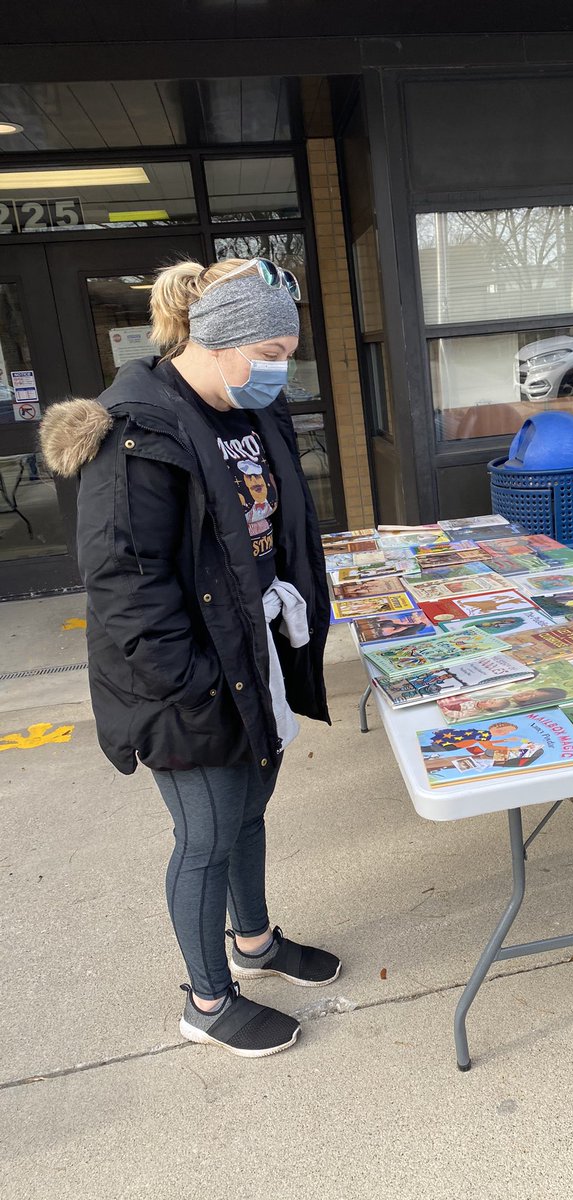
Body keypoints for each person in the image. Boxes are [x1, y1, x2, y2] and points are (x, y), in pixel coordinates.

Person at [40, 257, 340, 1059]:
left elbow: (278, 528)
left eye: (288, 353)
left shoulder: (251, 413)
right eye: (271, 352)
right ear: (218, 340)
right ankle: (207, 1000)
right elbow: (126, 594)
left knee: (248, 813)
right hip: (186, 686)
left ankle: (256, 942)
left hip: (256, 659)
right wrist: (202, 690)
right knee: (205, 835)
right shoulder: (136, 433)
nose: (283, 369)